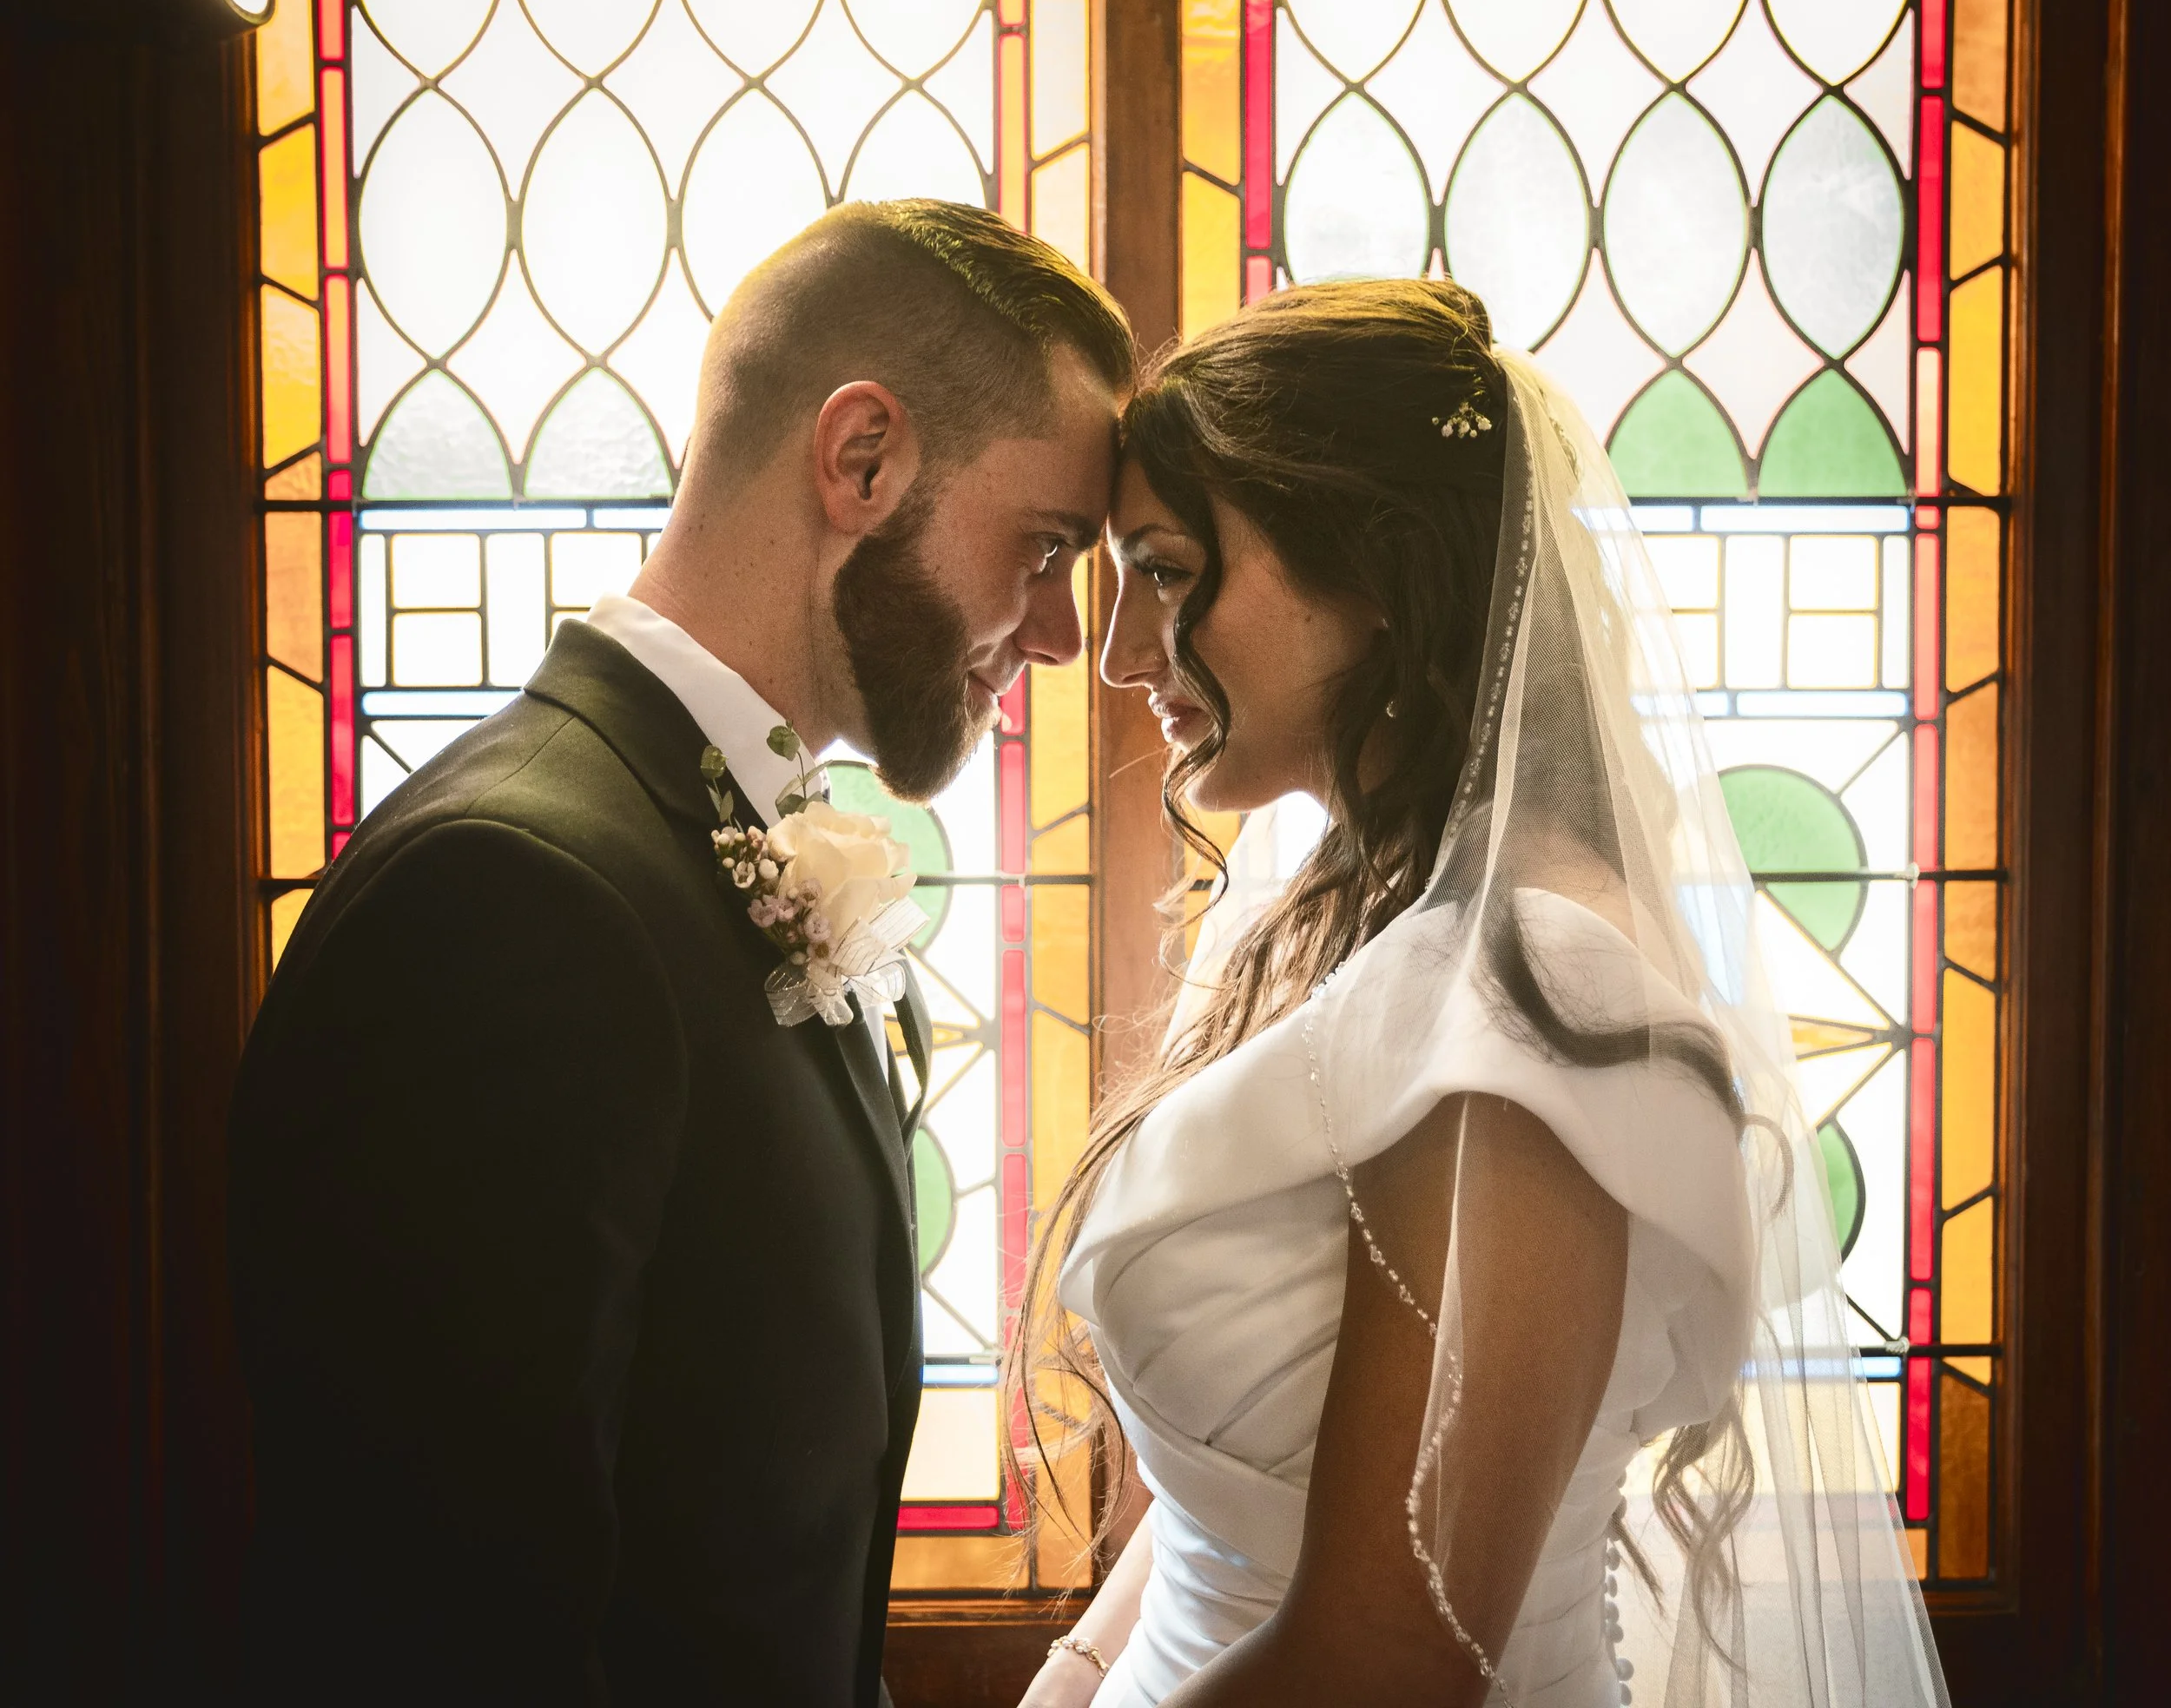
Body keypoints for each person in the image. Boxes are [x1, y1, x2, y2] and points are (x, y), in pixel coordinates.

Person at [227, 199, 1131, 1706]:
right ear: (863, 459)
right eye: (1044, 546)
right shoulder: (513, 899)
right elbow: (446, 1634)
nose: (1055, 629)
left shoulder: (704, 839)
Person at [1011, 279, 1950, 1708]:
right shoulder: (1317, 903)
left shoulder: (1530, 1002)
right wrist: (1074, 1675)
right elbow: (1241, 1486)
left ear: (1375, 575)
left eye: (1168, 569)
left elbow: (1390, 1663)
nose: (1128, 655)